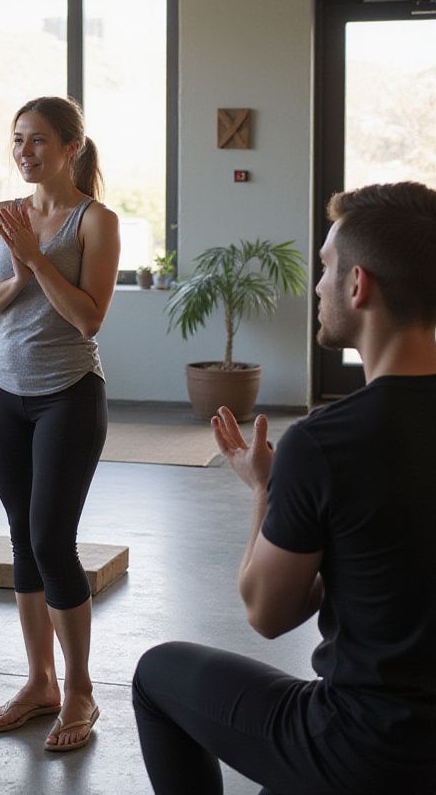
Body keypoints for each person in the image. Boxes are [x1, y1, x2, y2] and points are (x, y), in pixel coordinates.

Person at [132, 180, 436, 794]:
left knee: (156, 674)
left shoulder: (325, 443)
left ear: (358, 284)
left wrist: (265, 491)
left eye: (326, 267)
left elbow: (267, 613)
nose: (318, 286)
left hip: (366, 750)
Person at [0, 95, 121, 752]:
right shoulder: (3, 216)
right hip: (5, 391)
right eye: (17, 139)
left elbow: (88, 317)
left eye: (36, 140)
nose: (23, 152)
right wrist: (16, 278)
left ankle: (80, 689)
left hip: (69, 395)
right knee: (21, 541)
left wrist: (34, 258)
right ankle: (39, 683)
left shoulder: (96, 221)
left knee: (53, 541)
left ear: (70, 148)